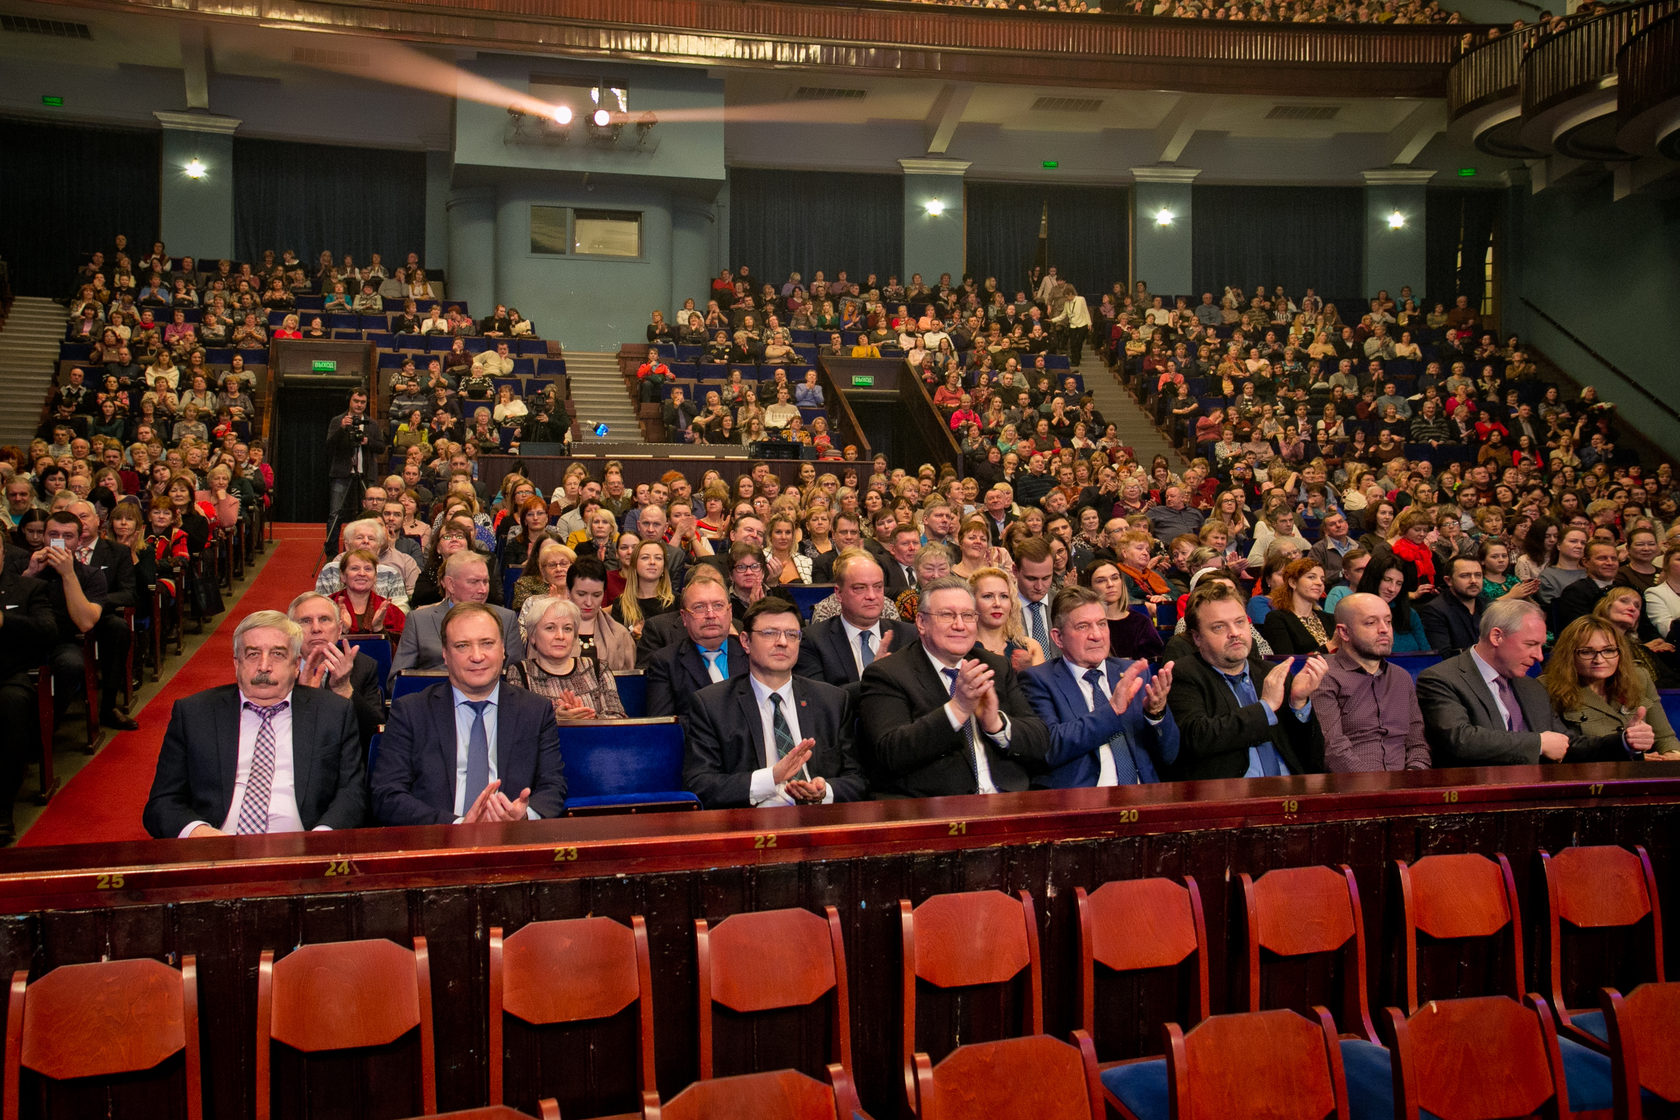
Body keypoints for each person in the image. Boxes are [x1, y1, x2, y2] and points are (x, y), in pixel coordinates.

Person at [143, 610, 366, 838]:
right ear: (236, 663)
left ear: (295, 664)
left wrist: (320, 839)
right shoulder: (195, 713)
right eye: (252, 654)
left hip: (304, 848)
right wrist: (199, 834)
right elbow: (163, 803)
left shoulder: (333, 713)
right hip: (215, 851)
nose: (264, 666)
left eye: (278, 654)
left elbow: (352, 793)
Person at [371, 602, 567, 825]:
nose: (477, 656)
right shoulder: (411, 712)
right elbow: (387, 795)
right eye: (462, 646)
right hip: (438, 845)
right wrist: (456, 825)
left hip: (513, 841)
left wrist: (523, 815)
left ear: (503, 649)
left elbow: (553, 787)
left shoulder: (535, 711)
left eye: (487, 643)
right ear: (445, 654)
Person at [857, 575, 1050, 798]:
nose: (959, 625)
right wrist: (958, 708)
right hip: (935, 809)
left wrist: (996, 724)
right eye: (947, 615)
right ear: (921, 622)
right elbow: (891, 753)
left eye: (967, 616)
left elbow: (1040, 740)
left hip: (1007, 801)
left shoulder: (994, 666)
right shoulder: (888, 673)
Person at [684, 598, 867, 809]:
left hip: (819, 819)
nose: (782, 642)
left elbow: (858, 779)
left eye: (792, 635)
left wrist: (825, 791)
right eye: (770, 633)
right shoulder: (712, 705)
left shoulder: (831, 701)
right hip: (751, 826)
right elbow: (700, 784)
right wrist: (770, 778)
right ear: (745, 641)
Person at [1416, 599, 1631, 767]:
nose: (1539, 657)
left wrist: (1623, 741)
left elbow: (1564, 743)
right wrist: (1537, 744)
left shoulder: (1532, 686)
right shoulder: (1441, 679)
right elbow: (1460, 739)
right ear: (1497, 637)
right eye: (1530, 644)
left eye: (1541, 646)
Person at [1164, 581, 1326, 780]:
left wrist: (1298, 704)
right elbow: (1197, 738)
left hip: (1290, 788)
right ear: (1197, 637)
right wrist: (1265, 707)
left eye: (1240, 622)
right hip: (1232, 796)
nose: (1235, 633)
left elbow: (1312, 755)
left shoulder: (1271, 672)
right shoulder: (1183, 674)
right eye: (1219, 627)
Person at [1020, 585, 1178, 788]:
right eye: (1083, 627)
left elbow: (1170, 754)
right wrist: (1112, 710)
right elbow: (1050, 747)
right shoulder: (1039, 680)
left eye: (1102, 624)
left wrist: (1156, 714)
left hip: (1143, 797)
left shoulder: (1133, 672)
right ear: (1058, 637)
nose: (1097, 635)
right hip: (1083, 806)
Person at [1313, 593, 1430, 772]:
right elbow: (1334, 749)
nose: (1384, 629)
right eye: (1371, 622)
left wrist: (1413, 775)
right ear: (1344, 632)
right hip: (1352, 789)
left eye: (1388, 621)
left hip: (1405, 786)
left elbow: (1417, 744)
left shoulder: (1401, 677)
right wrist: (1376, 788)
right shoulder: (1325, 675)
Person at [1541, 615, 1678, 760]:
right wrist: (1635, 757)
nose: (1599, 660)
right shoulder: (1547, 687)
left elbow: (1665, 737)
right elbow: (1563, 751)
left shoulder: (1639, 677)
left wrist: (1672, 755)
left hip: (1644, 772)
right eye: (1587, 652)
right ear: (1569, 655)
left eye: (1608, 651)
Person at [388, 552, 523, 688]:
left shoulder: (506, 618)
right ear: (450, 584)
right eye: (474, 582)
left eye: (485, 582)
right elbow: (396, 681)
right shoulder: (419, 620)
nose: (483, 590)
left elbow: (517, 678)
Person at [794, 549, 916, 699]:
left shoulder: (909, 636)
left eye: (878, 587)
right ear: (839, 594)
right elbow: (818, 700)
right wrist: (874, 677)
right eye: (860, 588)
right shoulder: (813, 640)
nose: (871, 596)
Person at [287, 591, 384, 753]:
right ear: (290, 631)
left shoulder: (363, 666)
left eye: (324, 620)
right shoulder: (278, 669)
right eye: (305, 621)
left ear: (339, 629)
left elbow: (373, 734)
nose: (316, 628)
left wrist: (344, 689)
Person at [646, 572, 745, 724]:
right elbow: (663, 726)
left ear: (730, 612)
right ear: (684, 617)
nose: (710, 615)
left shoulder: (750, 653)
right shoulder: (665, 662)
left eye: (718, 606)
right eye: (699, 607)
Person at [0, 560, 54, 835]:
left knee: (12, 705)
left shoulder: (29, 588)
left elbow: (47, 630)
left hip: (10, 675)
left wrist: (4, 621)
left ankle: (2, 810)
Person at [508, 596, 625, 721]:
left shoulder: (598, 669)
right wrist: (554, 719)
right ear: (532, 636)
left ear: (574, 636)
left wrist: (586, 719)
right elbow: (516, 723)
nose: (560, 636)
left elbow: (617, 719)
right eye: (550, 628)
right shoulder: (520, 672)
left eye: (567, 629)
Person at [325, 389, 387, 547]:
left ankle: (369, 547)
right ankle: (331, 552)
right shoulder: (338, 420)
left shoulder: (371, 423)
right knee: (335, 514)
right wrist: (342, 429)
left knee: (369, 514)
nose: (359, 405)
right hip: (342, 473)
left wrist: (367, 441)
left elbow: (381, 447)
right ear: (350, 402)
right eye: (356, 401)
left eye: (362, 402)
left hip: (366, 474)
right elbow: (329, 445)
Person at [1258, 558, 1334, 655]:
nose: (1319, 583)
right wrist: (1330, 646)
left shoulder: (1330, 618)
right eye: (1311, 577)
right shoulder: (1278, 618)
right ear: (1293, 583)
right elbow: (1287, 660)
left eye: (1322, 580)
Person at [1418, 555, 1485, 657]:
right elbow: (1443, 655)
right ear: (1448, 580)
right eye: (1465, 576)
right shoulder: (1435, 610)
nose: (1473, 580)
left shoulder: (1488, 606)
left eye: (1478, 575)